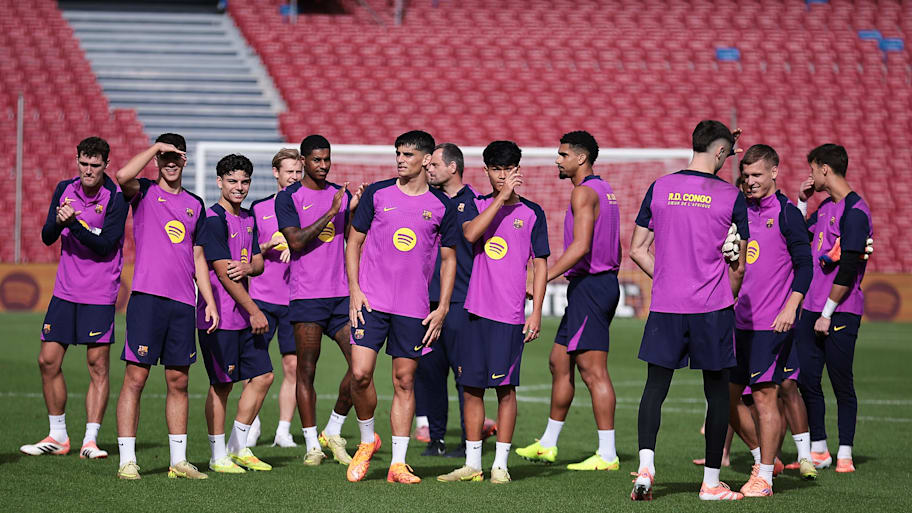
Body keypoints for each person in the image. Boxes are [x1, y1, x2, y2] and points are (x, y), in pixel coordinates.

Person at [628, 120, 747, 501]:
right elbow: (740, 261)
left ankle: (646, 469)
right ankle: (711, 483)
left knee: (655, 388)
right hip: (711, 307)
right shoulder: (730, 196)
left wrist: (665, 277)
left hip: (666, 305)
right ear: (721, 153)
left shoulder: (660, 187)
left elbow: (637, 249)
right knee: (716, 394)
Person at [345, 130, 458, 484]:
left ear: (426, 160)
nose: (400, 159)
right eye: (398, 153)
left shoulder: (442, 206)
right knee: (360, 374)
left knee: (404, 381)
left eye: (408, 154)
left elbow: (449, 259)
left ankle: (398, 463)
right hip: (371, 301)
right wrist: (354, 290)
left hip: (413, 308)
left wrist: (442, 308)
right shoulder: (378, 194)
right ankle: (367, 442)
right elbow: (354, 241)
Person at [438, 140, 549, 484]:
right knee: (470, 387)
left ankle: (500, 464)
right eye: (496, 170)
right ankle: (473, 465)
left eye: (508, 169)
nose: (502, 176)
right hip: (474, 311)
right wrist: (500, 199)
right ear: (485, 171)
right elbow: (470, 234)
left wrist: (537, 313)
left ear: (518, 169)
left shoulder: (533, 213)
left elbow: (541, 266)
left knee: (505, 389)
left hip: (510, 315)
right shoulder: (475, 205)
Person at [113, 133, 218, 480]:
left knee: (178, 380)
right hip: (146, 298)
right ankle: (127, 461)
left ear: (185, 161)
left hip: (182, 303)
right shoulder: (143, 192)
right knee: (136, 378)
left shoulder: (196, 205)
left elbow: (199, 256)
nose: (171, 163)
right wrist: (156, 148)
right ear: (158, 160)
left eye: (177, 157)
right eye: (165, 157)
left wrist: (209, 299)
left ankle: (179, 461)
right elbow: (121, 176)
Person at [515, 131, 620, 471]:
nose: (556, 160)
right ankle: (548, 443)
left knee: (593, 371)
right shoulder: (604, 190)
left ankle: (607, 454)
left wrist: (542, 278)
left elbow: (581, 246)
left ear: (581, 158)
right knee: (559, 361)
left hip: (592, 286)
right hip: (591, 286)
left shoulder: (584, 192)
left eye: (562, 155)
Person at [21, 137, 128, 460]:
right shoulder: (65, 188)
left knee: (97, 365)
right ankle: (57, 435)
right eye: (84, 163)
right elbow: (46, 236)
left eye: (96, 165)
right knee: (47, 360)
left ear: (106, 165)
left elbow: (106, 245)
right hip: (65, 291)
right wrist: (57, 221)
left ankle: (90, 440)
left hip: (99, 292)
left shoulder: (115, 197)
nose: (89, 170)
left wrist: (74, 224)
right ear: (77, 160)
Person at [729, 144, 816, 497]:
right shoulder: (738, 210)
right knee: (725, 397)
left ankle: (764, 477)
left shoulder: (786, 213)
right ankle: (763, 459)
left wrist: (790, 307)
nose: (750, 182)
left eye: (757, 175)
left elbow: (805, 265)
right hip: (735, 322)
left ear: (775, 172)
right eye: (746, 176)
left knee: (765, 397)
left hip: (770, 323)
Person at [276, 135, 364, 466]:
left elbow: (353, 236)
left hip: (341, 296)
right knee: (306, 371)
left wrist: (356, 210)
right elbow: (296, 241)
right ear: (303, 162)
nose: (324, 166)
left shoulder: (339, 194)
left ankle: (334, 427)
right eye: (317, 160)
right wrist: (332, 211)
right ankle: (312, 444)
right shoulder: (289, 197)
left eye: (327, 159)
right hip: (307, 297)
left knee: (360, 368)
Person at [795, 144, 872, 474]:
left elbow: (850, 266)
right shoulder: (826, 206)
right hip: (811, 308)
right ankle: (820, 449)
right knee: (807, 380)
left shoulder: (856, 211)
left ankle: (845, 452)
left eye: (812, 168)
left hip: (839, 311)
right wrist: (801, 200)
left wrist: (827, 312)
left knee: (841, 381)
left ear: (825, 169)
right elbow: (796, 236)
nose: (810, 175)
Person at [417, 142, 495, 457]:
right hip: (425, 303)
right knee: (430, 374)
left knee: (466, 378)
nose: (428, 169)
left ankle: (468, 442)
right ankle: (436, 440)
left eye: (434, 164)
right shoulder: (425, 201)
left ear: (453, 167)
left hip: (463, 304)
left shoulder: (474, 202)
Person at [199, 154, 274, 474]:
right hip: (222, 317)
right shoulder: (213, 219)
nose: (239, 187)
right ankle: (218, 456)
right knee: (222, 384)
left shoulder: (248, 219)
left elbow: (256, 263)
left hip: (243, 316)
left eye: (244, 181)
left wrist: (248, 265)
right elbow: (223, 273)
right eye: (232, 181)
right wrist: (255, 310)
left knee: (264, 376)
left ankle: (237, 446)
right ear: (219, 182)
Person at [249, 148, 303, 448]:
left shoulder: (308, 207)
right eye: (289, 172)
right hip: (261, 298)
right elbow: (245, 248)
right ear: (276, 173)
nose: (294, 177)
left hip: (296, 300)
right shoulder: (258, 208)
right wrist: (265, 244)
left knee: (293, 367)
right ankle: (252, 424)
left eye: (298, 172)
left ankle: (284, 430)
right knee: (256, 366)